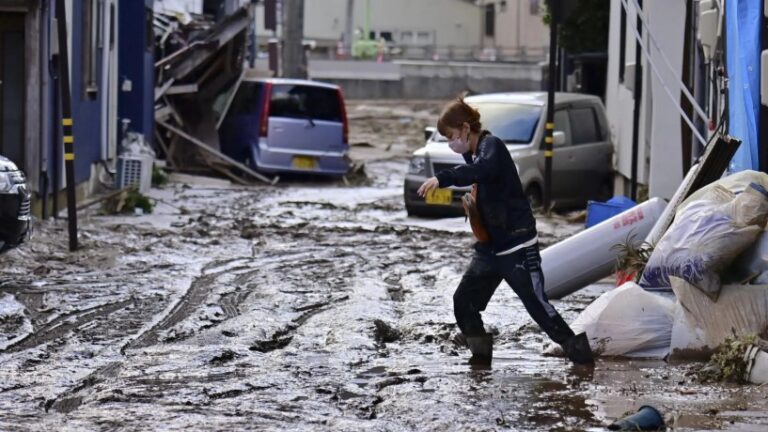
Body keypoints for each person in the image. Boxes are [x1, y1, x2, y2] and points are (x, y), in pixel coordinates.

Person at [417, 97, 593, 367]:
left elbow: (482, 170)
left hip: (518, 246)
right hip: (490, 249)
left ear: (465, 128)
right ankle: (480, 360)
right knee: (464, 300)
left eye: (452, 136)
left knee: (538, 306)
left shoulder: (492, 147)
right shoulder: (472, 153)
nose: (451, 143)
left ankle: (580, 356)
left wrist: (443, 178)